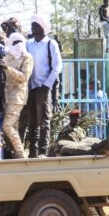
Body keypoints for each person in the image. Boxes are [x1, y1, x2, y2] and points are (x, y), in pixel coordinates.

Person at [26, 14, 63, 158]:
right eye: (32, 25)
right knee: (32, 121)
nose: (33, 28)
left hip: (44, 86)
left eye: (36, 25)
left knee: (44, 121)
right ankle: (33, 152)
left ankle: (43, 151)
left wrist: (47, 85)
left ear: (42, 28)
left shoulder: (50, 44)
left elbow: (57, 66)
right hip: (30, 87)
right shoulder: (28, 44)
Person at [0, 32, 33, 159]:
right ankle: (17, 153)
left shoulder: (27, 58)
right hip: (7, 95)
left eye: (19, 42)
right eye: (14, 42)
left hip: (18, 96)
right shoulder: (9, 55)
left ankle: (20, 153)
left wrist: (7, 68)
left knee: (6, 126)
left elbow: (24, 77)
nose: (18, 45)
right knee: (13, 126)